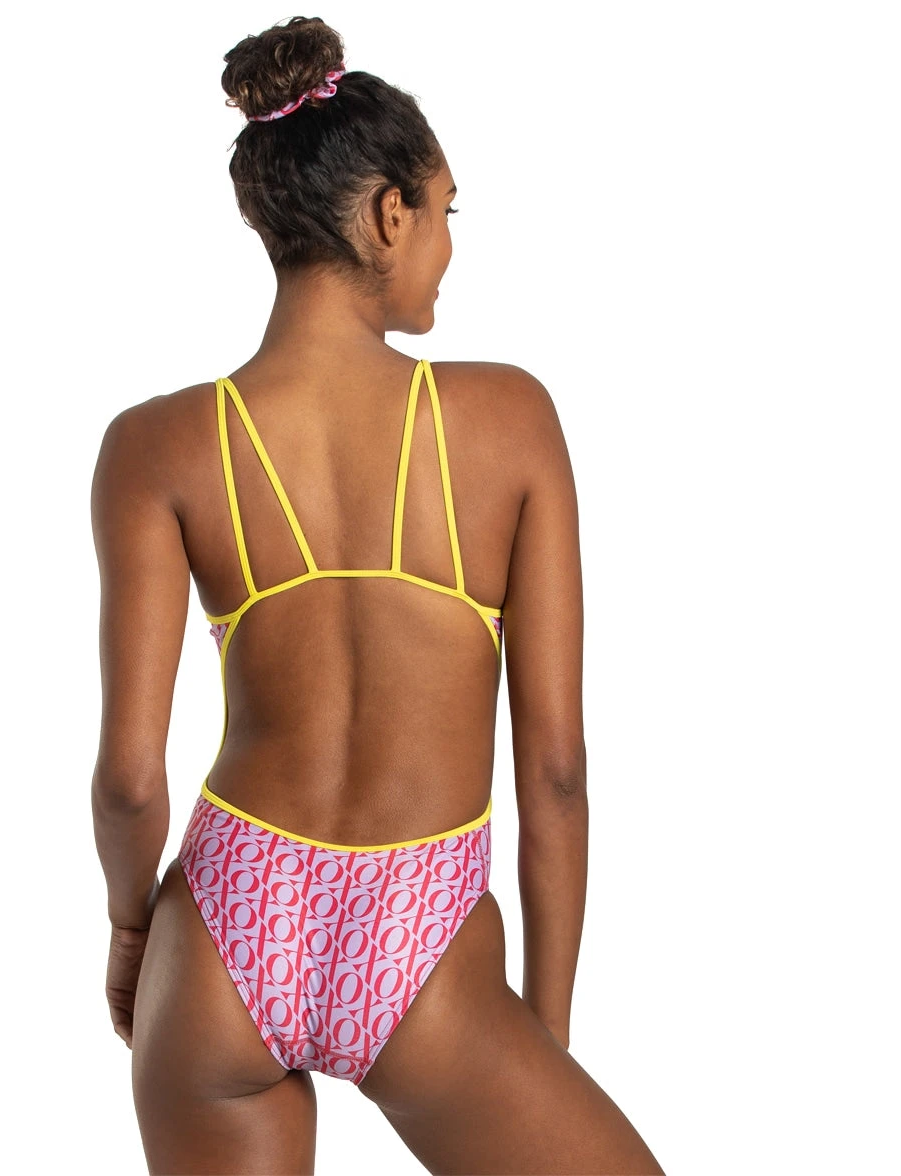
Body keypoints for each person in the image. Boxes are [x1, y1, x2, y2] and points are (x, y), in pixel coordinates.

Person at [91, 15, 664, 1175]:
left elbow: (130, 781)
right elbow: (556, 770)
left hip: (227, 925)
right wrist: (542, 1039)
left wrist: (131, 931)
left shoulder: (154, 446)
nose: (450, 245)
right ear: (389, 215)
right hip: (422, 934)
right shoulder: (509, 419)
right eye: (448, 211)